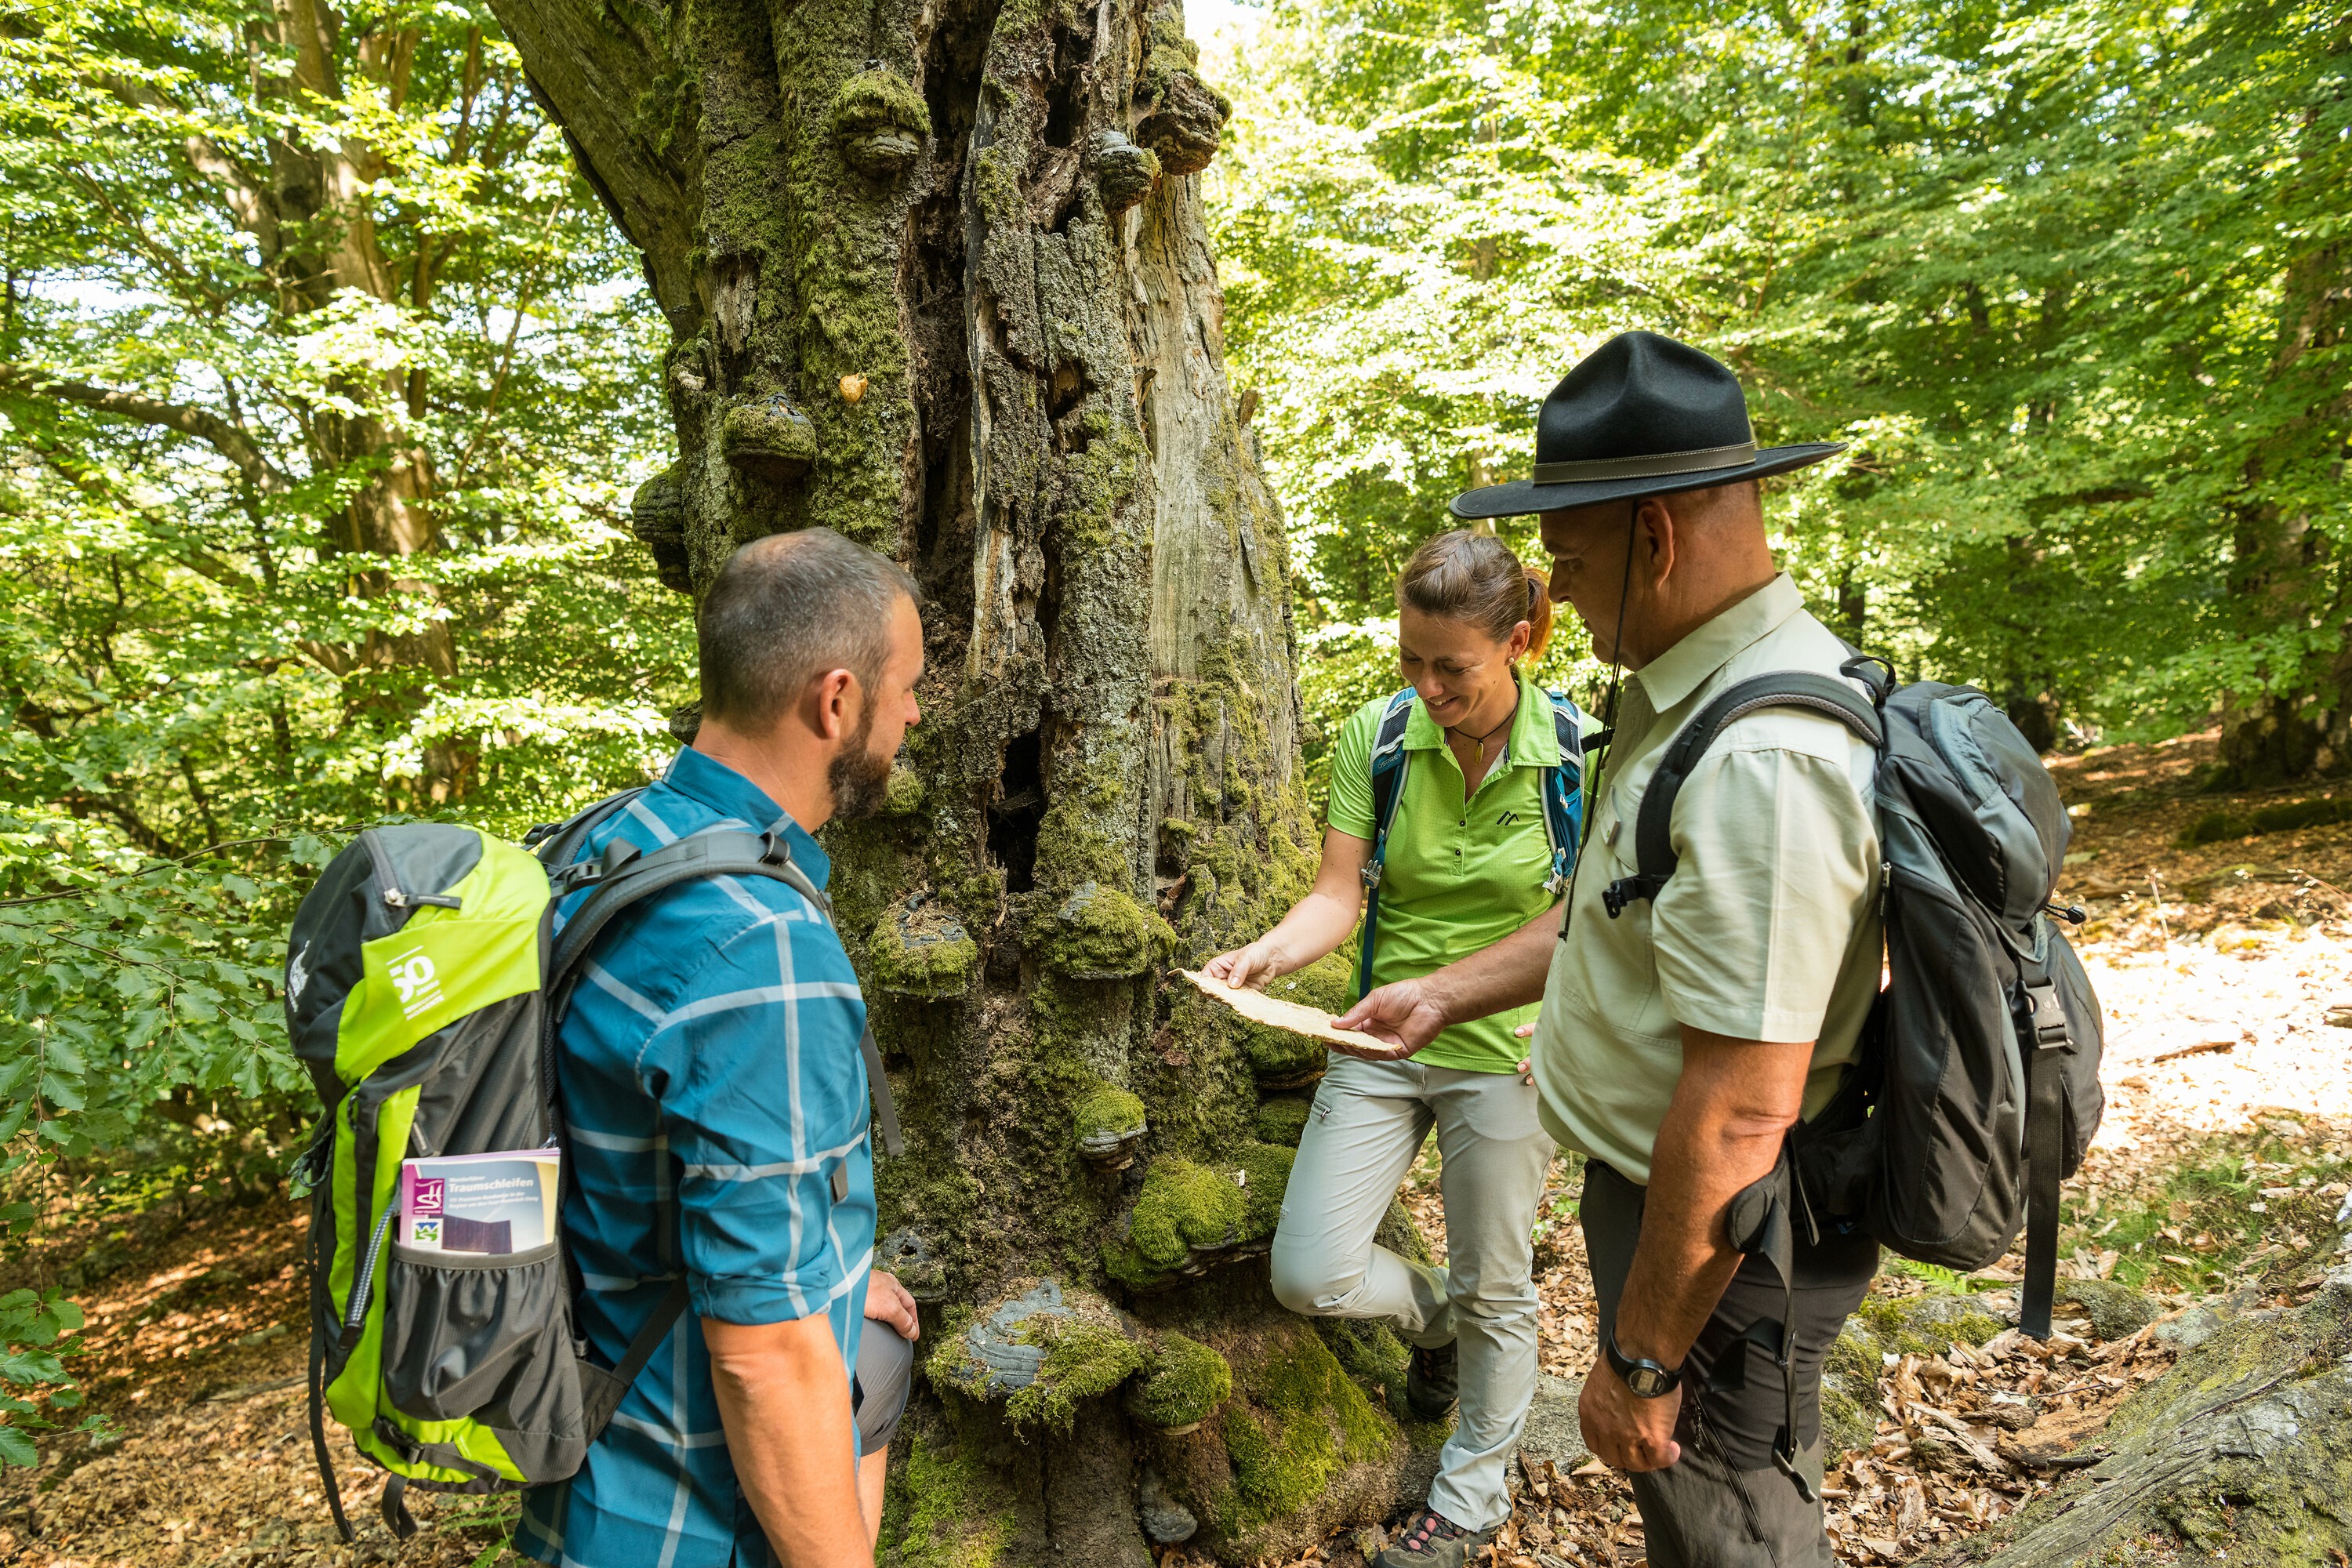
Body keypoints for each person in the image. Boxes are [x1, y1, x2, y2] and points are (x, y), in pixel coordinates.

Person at [1337, 332, 1883, 1568]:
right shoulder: (1691, 701)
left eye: (1573, 566)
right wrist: (1448, 990)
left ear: (1658, 541)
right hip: (1688, 1214)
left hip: (1730, 1238)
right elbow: (1617, 921)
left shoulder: (1765, 757)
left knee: (1725, 1526)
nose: (1560, 601)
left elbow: (1745, 1105)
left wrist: (1641, 1361)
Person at [517, 528, 926, 1568]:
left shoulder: (604, 847)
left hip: (579, 1434)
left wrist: (836, 1281)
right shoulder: (759, 946)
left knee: (873, 1347)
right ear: (836, 701)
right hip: (686, 1520)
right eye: (907, 688)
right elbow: (767, 1363)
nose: (915, 715)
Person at [1205, 530, 1583, 1568]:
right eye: (1410, 661)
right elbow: (1337, 894)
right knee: (1309, 1269)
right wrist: (1268, 955)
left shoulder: (1581, 762)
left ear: (1517, 641)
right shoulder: (1378, 739)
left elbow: (1591, 927)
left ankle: (1469, 1496)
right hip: (1379, 1040)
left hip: (1506, 1054)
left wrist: (1554, 1032)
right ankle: (1440, 1331)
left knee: (1501, 1284)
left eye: (1449, 667)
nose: (1426, 686)